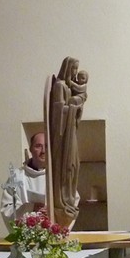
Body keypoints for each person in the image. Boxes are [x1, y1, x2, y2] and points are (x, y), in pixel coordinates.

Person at [49, 56, 84, 227]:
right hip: (63, 136)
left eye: (77, 69)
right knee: (67, 165)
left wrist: (77, 105)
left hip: (71, 131)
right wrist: (73, 106)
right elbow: (58, 111)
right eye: (73, 68)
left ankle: (69, 200)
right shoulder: (60, 86)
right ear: (67, 68)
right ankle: (63, 201)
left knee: (75, 164)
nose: (75, 72)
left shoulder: (70, 88)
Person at [0, 132, 47, 226]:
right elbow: (7, 209)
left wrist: (53, 211)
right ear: (30, 149)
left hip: (52, 232)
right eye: (38, 146)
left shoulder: (58, 177)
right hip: (26, 233)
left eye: (46, 146)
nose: (43, 151)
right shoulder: (17, 177)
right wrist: (29, 208)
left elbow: (70, 206)